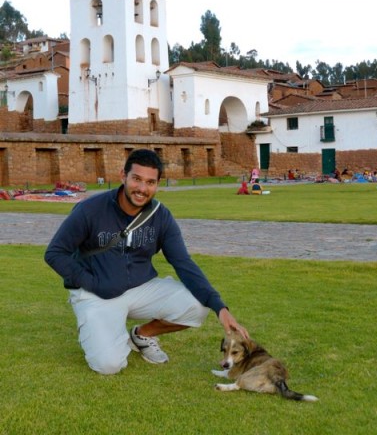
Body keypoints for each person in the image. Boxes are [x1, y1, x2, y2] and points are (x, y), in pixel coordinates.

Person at [45, 149, 248, 375]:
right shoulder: (90, 209)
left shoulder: (161, 216)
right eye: (137, 179)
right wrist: (93, 283)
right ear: (124, 176)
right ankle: (104, 330)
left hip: (141, 288)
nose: (142, 188)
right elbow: (55, 253)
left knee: (199, 305)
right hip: (97, 293)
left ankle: (141, 335)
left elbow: (183, 262)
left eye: (150, 182)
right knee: (109, 365)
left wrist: (219, 307)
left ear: (158, 184)